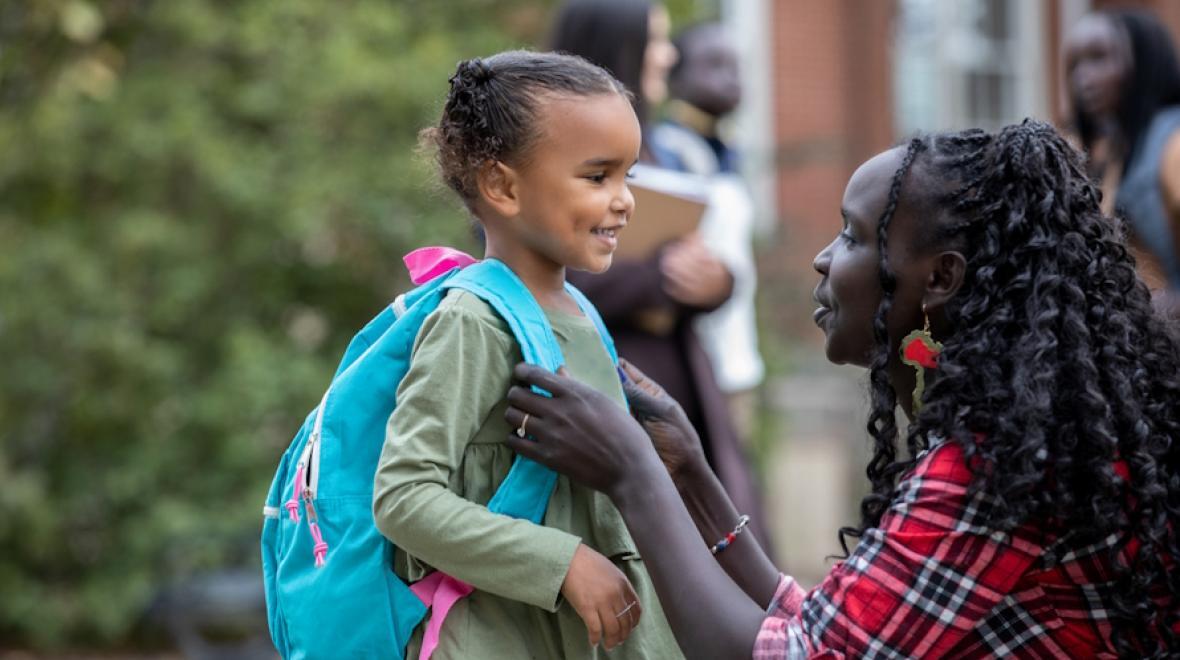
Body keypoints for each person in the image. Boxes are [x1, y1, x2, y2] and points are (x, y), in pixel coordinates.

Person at [503, 121, 1180, 657]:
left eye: (854, 236)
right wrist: (691, 476)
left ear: (940, 279)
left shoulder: (992, 473)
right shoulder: (1027, 439)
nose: (825, 259)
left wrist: (633, 475)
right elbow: (843, 631)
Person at [371, 50, 682, 658]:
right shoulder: (473, 320)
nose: (624, 201)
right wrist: (563, 563)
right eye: (598, 177)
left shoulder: (581, 312)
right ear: (502, 186)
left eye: (629, 177)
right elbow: (403, 496)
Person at [550, 0, 773, 549]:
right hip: (604, 388)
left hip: (683, 385)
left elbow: (708, 259)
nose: (668, 56)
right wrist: (657, 277)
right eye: (656, 41)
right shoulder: (547, 155)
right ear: (615, 51)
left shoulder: (665, 151)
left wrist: (714, 282)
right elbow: (535, 272)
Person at [650, 21, 765, 440]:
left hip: (739, 362)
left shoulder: (730, 155)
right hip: (694, 365)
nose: (731, 77)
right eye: (714, 64)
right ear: (676, 77)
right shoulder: (665, 155)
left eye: (735, 65)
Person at [1065, 9, 1180, 316]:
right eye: (1074, 63)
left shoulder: (1173, 144)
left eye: (1098, 57)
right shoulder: (1113, 151)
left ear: (1140, 63)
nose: (1082, 78)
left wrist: (1140, 310)